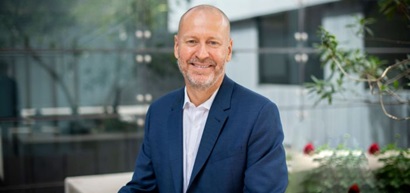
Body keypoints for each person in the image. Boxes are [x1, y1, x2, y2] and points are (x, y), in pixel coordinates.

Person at [119, 4, 288, 193]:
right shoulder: (158, 112)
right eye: (192, 41)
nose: (201, 54)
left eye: (213, 42)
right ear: (177, 47)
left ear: (229, 50)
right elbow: (142, 188)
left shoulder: (259, 115)